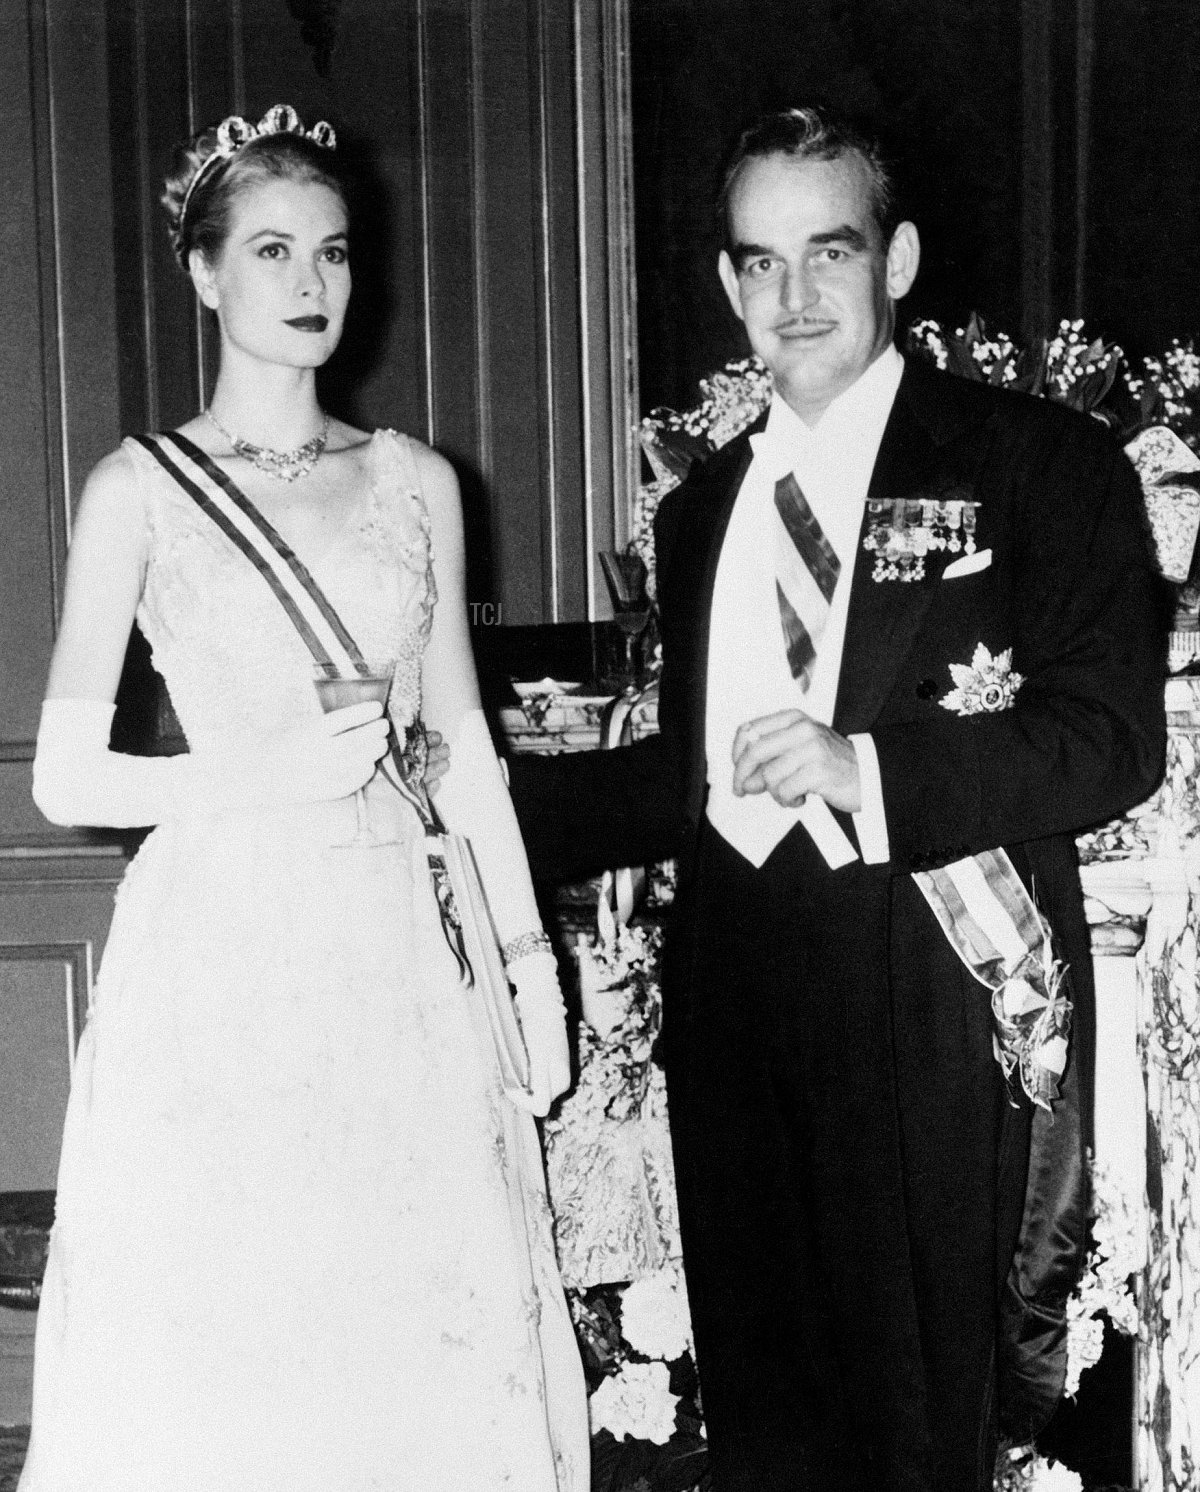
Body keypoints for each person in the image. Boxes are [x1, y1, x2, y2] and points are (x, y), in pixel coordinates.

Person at [509, 106, 1165, 1490]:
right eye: (758, 263)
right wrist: (452, 812)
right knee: (770, 1410)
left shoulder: (1040, 466)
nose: (792, 298)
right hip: (739, 985)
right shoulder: (698, 517)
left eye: (829, 252)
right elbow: (684, 782)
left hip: (939, 987)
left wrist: (866, 768)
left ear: (901, 258)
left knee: (929, 1419)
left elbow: (1109, 741)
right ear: (727, 281)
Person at [20, 105, 588, 1491]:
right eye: (271, 251)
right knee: (249, 1319)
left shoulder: (416, 482)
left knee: (406, 1309)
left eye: (331, 252)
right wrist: (256, 774)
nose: (311, 283)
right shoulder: (136, 491)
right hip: (227, 946)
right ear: (205, 274)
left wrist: (530, 971)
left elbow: (462, 743)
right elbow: (63, 778)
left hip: (403, 938)